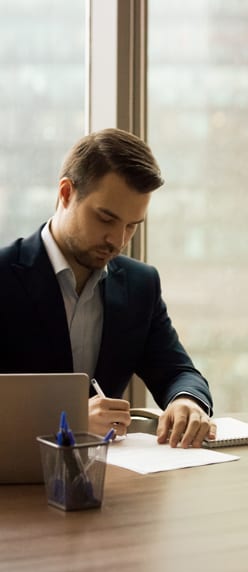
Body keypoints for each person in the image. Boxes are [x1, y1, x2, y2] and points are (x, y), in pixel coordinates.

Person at [0, 128, 216, 449]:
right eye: (105, 218)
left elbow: (178, 372)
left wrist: (187, 402)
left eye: (131, 226)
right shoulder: (5, 276)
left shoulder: (141, 285)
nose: (118, 240)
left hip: (111, 485)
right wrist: (69, 422)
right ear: (66, 193)